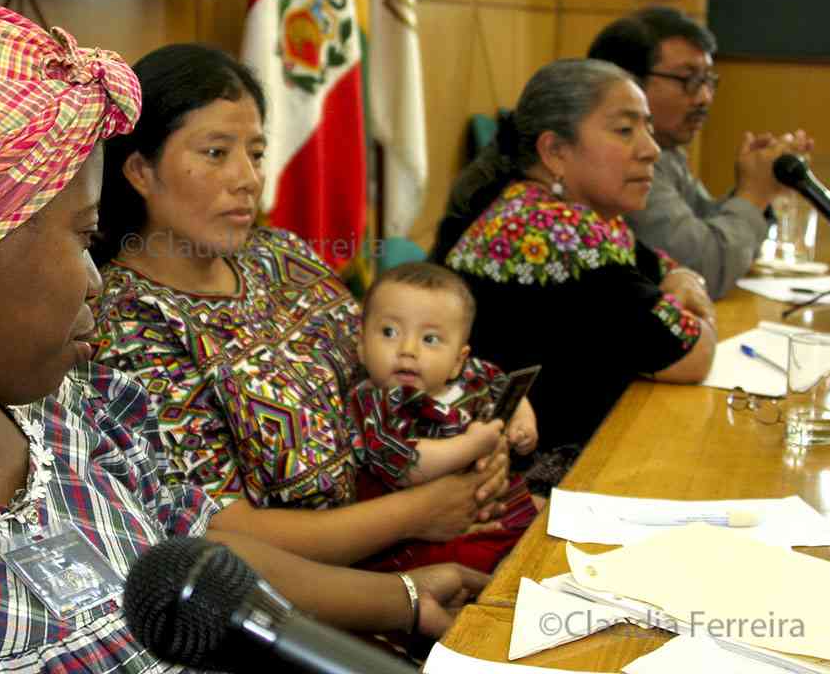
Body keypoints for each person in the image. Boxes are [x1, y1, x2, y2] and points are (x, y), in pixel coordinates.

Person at [0, 0, 487, 672]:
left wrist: (406, 599)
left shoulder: (64, 410)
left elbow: (199, 554)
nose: (99, 278)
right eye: (83, 238)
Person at [88, 43, 519, 573]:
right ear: (139, 171)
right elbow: (220, 530)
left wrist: (476, 440)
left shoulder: (280, 254)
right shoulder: (129, 323)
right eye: (216, 153)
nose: (248, 178)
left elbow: (393, 365)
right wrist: (418, 512)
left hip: (428, 522)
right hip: (321, 597)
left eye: (257, 152)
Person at [432, 58, 717, 494]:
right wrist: (683, 295)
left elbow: (666, 268)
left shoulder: (554, 211)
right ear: (555, 152)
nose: (650, 149)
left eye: (649, 129)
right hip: (529, 495)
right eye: (625, 130)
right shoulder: (558, 236)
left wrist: (677, 284)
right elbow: (693, 352)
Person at [587, 7, 812, 299]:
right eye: (688, 80)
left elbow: (705, 230)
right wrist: (753, 196)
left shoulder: (667, 153)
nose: (704, 97)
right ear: (627, 83)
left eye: (708, 80)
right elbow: (705, 270)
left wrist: (759, 187)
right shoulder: (623, 162)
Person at [346, 262, 540, 570]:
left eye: (430, 339)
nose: (407, 349)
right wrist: (472, 446)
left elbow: (508, 386)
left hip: (496, 506)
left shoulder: (473, 375)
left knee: (541, 541)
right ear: (361, 347)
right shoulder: (372, 401)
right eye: (389, 332)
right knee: (486, 569)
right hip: (419, 540)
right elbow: (406, 464)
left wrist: (522, 421)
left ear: (457, 361)